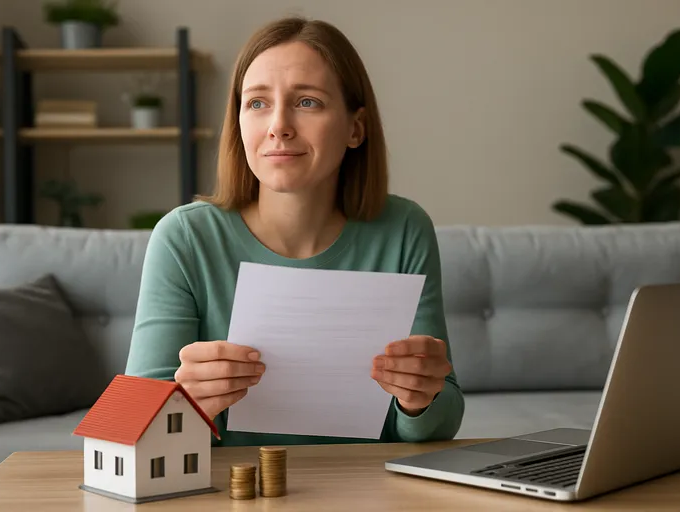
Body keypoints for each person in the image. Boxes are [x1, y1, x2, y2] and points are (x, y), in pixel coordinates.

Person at [125, 16, 464, 446]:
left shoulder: (404, 230)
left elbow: (441, 419)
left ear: (355, 128)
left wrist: (419, 399)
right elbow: (134, 426)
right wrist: (183, 405)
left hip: (368, 483)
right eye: (257, 103)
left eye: (307, 102)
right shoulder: (184, 238)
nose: (278, 126)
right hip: (233, 484)